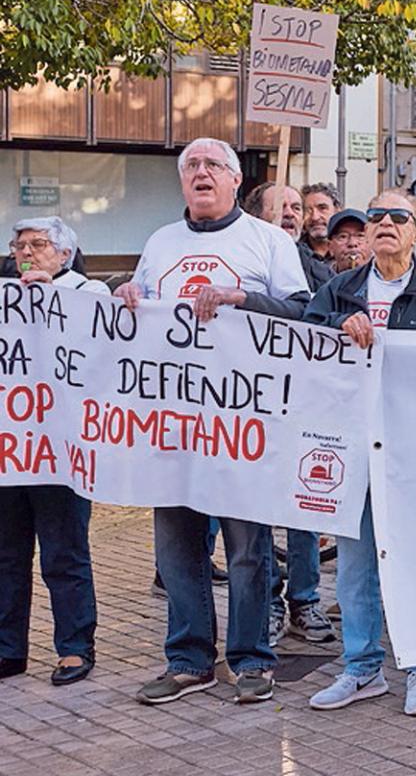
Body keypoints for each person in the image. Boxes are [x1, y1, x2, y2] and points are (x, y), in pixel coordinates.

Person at [120, 137, 310, 706]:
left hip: (241, 421)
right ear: (183, 183)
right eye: (191, 167)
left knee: (248, 547)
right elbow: (140, 309)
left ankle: (251, 659)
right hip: (174, 425)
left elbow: (303, 314)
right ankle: (188, 660)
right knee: (176, 547)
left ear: (233, 181)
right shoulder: (160, 242)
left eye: (213, 166)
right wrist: (123, 290)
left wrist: (240, 298)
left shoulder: (269, 241)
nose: (201, 173)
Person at [304, 190, 416, 717]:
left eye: (398, 216)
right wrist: (335, 327)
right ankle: (361, 668)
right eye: (375, 216)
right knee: (354, 566)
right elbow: (301, 343)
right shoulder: (340, 288)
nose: (384, 224)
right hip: (352, 444)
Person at [1, 218, 104, 686]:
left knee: (64, 553)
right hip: (12, 448)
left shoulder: (89, 295)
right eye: (19, 245)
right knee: (7, 553)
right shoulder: (6, 296)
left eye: (38, 244)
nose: (27, 253)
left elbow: (101, 355)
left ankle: (74, 648)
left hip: (61, 451)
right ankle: (8, 649)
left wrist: (52, 298)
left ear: (64, 254)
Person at [250, 185, 336, 651]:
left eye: (296, 209)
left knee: (305, 505)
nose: (290, 215)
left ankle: (304, 599)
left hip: (304, 400)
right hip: (251, 402)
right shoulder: (245, 256)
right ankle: (269, 602)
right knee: (258, 510)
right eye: (279, 208)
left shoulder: (314, 265)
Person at [301, 183, 341, 273]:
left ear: (337, 211)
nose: (315, 217)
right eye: (308, 210)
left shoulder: (349, 248)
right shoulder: (294, 253)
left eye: (322, 208)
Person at [326, 209, 372, 273]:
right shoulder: (320, 279)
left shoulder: (385, 279)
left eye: (360, 235)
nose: (352, 243)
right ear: (330, 247)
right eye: (343, 236)